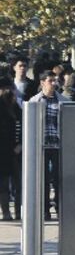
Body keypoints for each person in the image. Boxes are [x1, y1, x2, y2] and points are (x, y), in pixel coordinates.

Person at [28, 72, 67, 220]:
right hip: (42, 146)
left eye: (55, 80)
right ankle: (44, 210)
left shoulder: (62, 100)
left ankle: (59, 207)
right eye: (50, 81)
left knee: (58, 179)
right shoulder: (35, 101)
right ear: (42, 82)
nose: (54, 83)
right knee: (43, 179)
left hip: (58, 145)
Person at [0, 78, 21, 220]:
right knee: (3, 185)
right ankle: (6, 212)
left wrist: (20, 144)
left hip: (16, 150)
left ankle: (19, 212)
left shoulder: (16, 107)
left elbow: (23, 125)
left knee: (19, 184)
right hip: (2, 151)